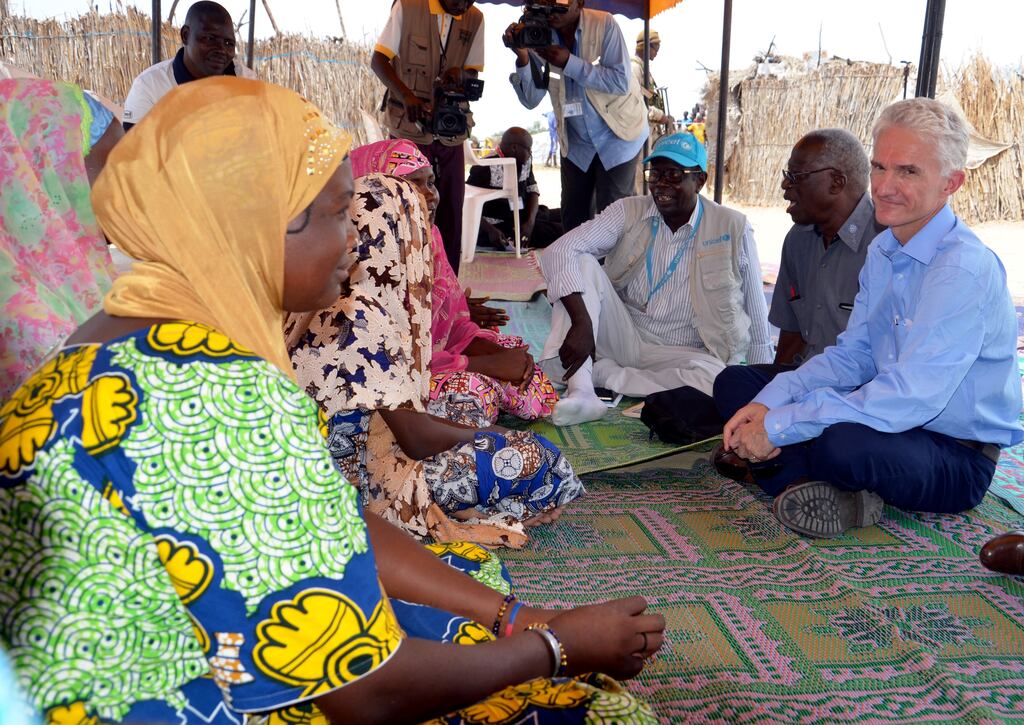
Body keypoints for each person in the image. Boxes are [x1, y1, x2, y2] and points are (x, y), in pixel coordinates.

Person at [0, 76, 664, 724]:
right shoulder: (217, 392)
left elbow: (332, 516)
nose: (356, 238)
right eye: (338, 212)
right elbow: (367, 693)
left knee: (464, 604)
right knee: (594, 708)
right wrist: (554, 647)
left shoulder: (100, 341)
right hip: (169, 699)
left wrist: (516, 618)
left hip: (94, 681)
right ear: (266, 224)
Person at [718, 98, 1023, 539]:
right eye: (880, 167)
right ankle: (816, 488)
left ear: (951, 183)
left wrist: (783, 423)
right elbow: (854, 357)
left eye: (908, 171)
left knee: (840, 442)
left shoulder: (962, 270)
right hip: (892, 420)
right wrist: (773, 401)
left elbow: (909, 398)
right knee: (741, 385)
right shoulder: (884, 251)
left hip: (955, 453)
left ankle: (783, 470)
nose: (885, 186)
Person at [287, 150, 583, 549]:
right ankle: (483, 503)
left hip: (328, 457)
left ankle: (485, 499)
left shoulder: (314, 293)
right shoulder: (363, 315)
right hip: (348, 476)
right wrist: (493, 437)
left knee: (480, 437)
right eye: (412, 228)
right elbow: (416, 438)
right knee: (531, 460)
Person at [539, 131, 772, 426]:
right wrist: (583, 322)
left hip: (685, 352)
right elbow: (558, 251)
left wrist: (761, 385)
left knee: (719, 379)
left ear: (700, 180)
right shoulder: (628, 211)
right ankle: (582, 391)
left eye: (674, 174)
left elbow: (756, 313)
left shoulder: (733, 227)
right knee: (582, 263)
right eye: (655, 174)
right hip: (625, 336)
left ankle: (600, 373)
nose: (662, 184)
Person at [711, 128, 883, 481]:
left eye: (796, 177)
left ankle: (783, 469)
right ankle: (802, 474)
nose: (786, 187)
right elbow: (790, 343)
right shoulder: (798, 240)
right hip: (806, 380)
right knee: (732, 382)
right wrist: (765, 403)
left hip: (859, 394)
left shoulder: (886, 243)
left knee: (843, 438)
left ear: (836, 181)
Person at [350, 138, 558, 425]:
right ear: (379, 194)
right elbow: (390, 364)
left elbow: (454, 325)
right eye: (414, 184)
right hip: (388, 390)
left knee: (521, 363)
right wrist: (485, 365)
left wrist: (502, 357)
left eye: (430, 182)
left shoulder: (429, 237)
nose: (431, 194)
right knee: (476, 393)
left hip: (439, 359)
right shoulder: (368, 259)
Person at [1, 78, 122, 399]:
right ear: (50, 178)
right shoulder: (33, 329)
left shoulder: (59, 272)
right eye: (114, 171)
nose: (126, 192)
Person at [505, 0, 648, 233]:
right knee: (573, 218)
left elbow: (620, 81)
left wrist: (569, 63)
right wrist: (522, 56)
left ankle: (611, 270)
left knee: (612, 218)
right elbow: (531, 99)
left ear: (579, 3)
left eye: (560, 2)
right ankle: (576, 269)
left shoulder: (605, 25)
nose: (552, 10)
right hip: (577, 141)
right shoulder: (540, 31)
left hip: (618, 135)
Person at [371, 0, 484, 275]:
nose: (465, 4)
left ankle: (448, 290)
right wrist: (406, 96)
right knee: (403, 211)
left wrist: (460, 75)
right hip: (409, 129)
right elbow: (378, 61)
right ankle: (403, 286)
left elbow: (472, 72)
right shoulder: (408, 7)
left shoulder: (475, 18)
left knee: (451, 215)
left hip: (450, 132)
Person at [122, 1, 255, 130]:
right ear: (185, 35)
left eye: (228, 43)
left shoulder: (245, 81)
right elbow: (134, 149)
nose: (221, 50)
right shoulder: (150, 87)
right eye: (210, 38)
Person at [467, 126, 563, 250]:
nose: (530, 153)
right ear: (514, 148)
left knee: (569, 214)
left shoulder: (525, 161)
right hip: (499, 226)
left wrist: (530, 223)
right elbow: (468, 204)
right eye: (529, 149)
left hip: (526, 216)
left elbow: (532, 190)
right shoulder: (483, 166)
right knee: (563, 230)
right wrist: (490, 230)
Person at [631, 30, 674, 141]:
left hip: (645, 131)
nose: (657, 52)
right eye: (656, 48)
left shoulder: (643, 69)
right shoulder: (634, 69)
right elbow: (634, 103)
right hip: (636, 134)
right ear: (645, 46)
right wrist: (659, 116)